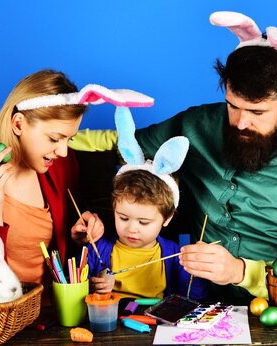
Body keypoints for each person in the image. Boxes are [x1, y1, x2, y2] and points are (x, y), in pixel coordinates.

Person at [70, 11, 277, 299]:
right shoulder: (196, 124)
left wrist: (241, 272)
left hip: (273, 305)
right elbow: (121, 144)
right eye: (233, 106)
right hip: (194, 297)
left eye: (257, 112)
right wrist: (52, 137)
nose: (241, 123)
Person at [0, 69, 105, 288]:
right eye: (54, 138)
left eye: (69, 140)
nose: (62, 151)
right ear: (18, 124)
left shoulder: (61, 163)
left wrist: (78, 236)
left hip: (56, 316)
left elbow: (63, 257)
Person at [86, 107, 207, 300]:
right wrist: (92, 285)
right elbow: (74, 283)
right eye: (123, 217)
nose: (132, 229)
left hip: (155, 324)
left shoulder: (174, 255)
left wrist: (194, 270)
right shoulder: (97, 248)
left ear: (167, 218)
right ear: (114, 208)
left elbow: (195, 297)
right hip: (110, 321)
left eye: (144, 222)